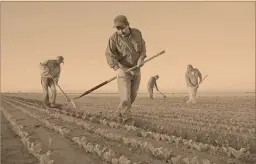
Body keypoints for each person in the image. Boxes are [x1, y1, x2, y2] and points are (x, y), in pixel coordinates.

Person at [105, 15, 147, 121]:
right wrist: (116, 68)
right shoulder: (113, 38)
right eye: (117, 29)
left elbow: (143, 47)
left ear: (128, 25)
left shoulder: (137, 33)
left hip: (136, 69)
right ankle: (127, 119)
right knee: (125, 97)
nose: (120, 31)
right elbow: (109, 54)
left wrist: (141, 58)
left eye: (122, 28)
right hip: (123, 70)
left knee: (132, 97)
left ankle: (118, 115)